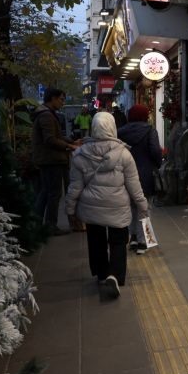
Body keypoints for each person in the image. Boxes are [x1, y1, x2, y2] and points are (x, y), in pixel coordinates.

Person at [64, 112, 148, 299]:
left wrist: (70, 209)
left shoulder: (80, 154)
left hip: (91, 207)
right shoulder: (124, 154)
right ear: (112, 128)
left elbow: (75, 186)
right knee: (118, 240)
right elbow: (134, 185)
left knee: (96, 240)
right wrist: (142, 205)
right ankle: (115, 275)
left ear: (93, 127)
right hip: (117, 206)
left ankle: (101, 273)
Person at [32, 88, 80, 236]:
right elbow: (50, 139)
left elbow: (57, 135)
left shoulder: (48, 114)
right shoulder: (46, 115)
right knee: (53, 193)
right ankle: (50, 225)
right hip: (50, 160)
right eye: (61, 99)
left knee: (46, 192)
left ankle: (38, 224)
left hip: (49, 159)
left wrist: (72, 141)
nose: (62, 102)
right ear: (52, 98)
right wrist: (69, 146)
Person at [118, 104, 163, 254]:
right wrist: (157, 164)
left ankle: (134, 239)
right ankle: (145, 242)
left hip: (124, 176)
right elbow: (156, 151)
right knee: (145, 208)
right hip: (145, 175)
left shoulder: (120, 132)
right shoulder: (150, 130)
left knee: (130, 207)